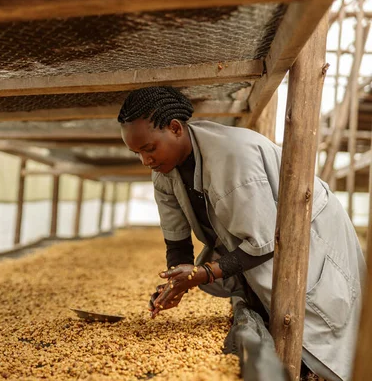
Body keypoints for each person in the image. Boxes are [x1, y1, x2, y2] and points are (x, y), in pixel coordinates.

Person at [118, 86, 366, 381]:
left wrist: (203, 273)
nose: (146, 161)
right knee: (275, 307)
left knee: (323, 319)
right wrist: (175, 282)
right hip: (263, 240)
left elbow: (264, 242)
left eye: (149, 149)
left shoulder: (231, 157)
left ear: (175, 128)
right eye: (137, 153)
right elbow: (177, 238)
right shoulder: (163, 171)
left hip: (307, 230)